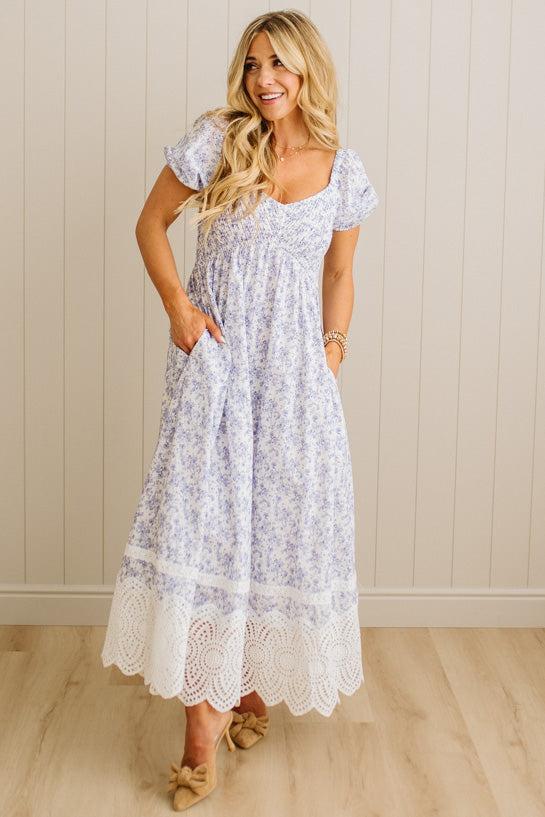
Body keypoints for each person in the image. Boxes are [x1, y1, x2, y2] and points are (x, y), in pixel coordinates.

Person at [101, 8, 379, 812]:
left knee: (279, 529)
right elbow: (149, 224)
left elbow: (341, 273)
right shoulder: (216, 142)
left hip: (296, 385)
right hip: (217, 376)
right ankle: (199, 731)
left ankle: (247, 690)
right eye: (254, 63)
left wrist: (332, 348)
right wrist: (180, 313)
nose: (264, 79)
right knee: (207, 530)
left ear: (307, 73)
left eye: (280, 65)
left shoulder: (341, 169)